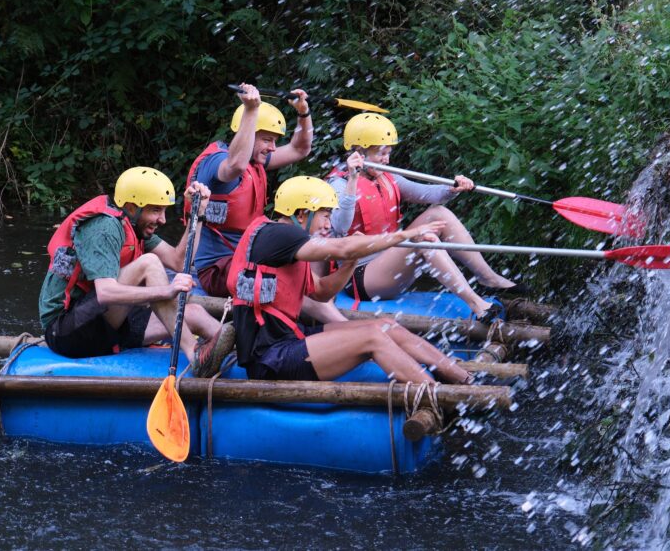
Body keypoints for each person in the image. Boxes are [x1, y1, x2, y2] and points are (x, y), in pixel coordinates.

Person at [228, 175, 472, 384]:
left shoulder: (288, 246)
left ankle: (462, 378)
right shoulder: (279, 234)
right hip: (271, 359)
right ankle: (439, 396)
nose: (328, 224)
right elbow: (344, 247)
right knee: (372, 337)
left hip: (291, 340)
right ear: (301, 214)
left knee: (385, 326)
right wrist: (410, 234)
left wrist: (352, 262)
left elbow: (322, 291)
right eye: (325, 215)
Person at [326, 113, 529, 324]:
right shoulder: (339, 184)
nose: (387, 159)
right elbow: (340, 227)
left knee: (439, 213)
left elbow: (426, 194)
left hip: (391, 258)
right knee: (423, 240)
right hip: (361, 276)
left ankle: (487, 277)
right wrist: (352, 179)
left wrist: (452, 188)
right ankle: (477, 305)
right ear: (359, 152)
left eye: (389, 152)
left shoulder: (387, 176)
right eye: (381, 153)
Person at [38, 166, 235, 377]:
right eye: (155, 210)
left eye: (163, 211)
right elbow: (106, 293)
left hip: (104, 322)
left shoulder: (134, 225)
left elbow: (178, 261)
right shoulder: (103, 228)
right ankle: (194, 353)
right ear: (132, 207)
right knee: (148, 263)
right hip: (66, 331)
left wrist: (198, 214)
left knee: (195, 314)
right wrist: (165, 291)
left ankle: (240, 360)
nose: (163, 219)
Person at [186, 82, 313, 297]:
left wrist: (303, 113)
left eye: (274, 141)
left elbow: (300, 149)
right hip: (216, 270)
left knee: (298, 267)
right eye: (267, 139)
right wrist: (251, 110)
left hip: (245, 258)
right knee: (278, 281)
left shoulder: (256, 162)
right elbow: (235, 165)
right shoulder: (218, 163)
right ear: (247, 132)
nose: (272, 147)